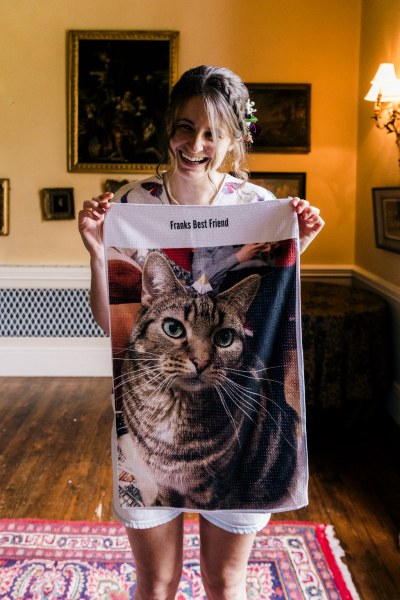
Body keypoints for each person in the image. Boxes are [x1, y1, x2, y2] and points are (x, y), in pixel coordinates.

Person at [78, 65, 324, 600]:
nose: (196, 143)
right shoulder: (132, 203)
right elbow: (112, 324)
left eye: (213, 131)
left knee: (223, 580)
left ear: (235, 139)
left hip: (234, 426)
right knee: (158, 580)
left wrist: (295, 245)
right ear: (169, 127)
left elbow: (270, 313)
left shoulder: (260, 209)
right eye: (186, 126)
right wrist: (98, 253)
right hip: (148, 424)